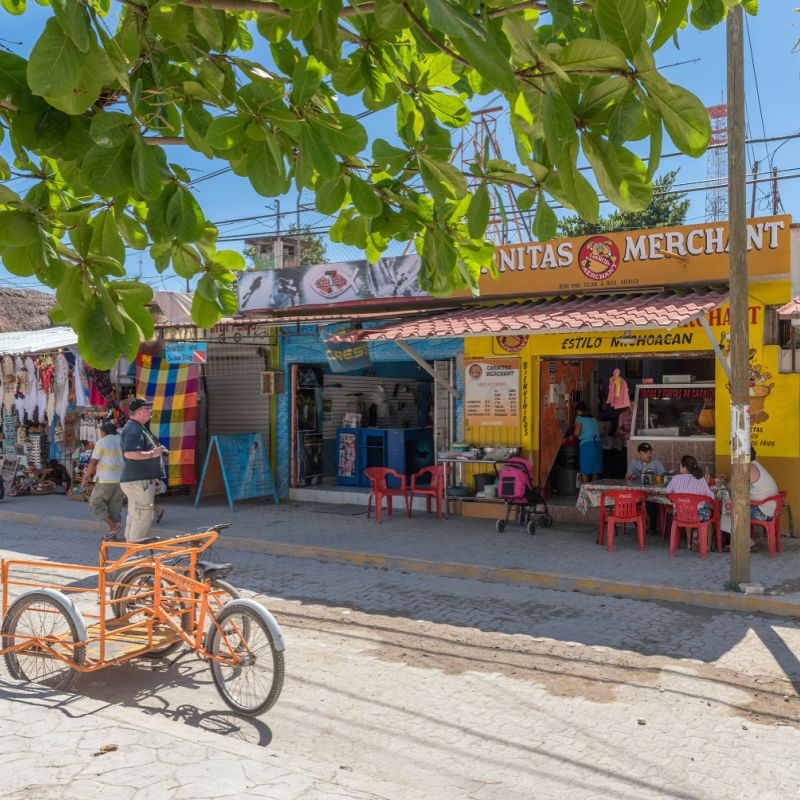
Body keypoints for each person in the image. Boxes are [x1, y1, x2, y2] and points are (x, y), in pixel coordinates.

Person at [119, 397, 168, 542]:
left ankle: (130, 555)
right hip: (139, 481)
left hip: (138, 480)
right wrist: (154, 453)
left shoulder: (137, 427)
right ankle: (133, 557)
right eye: (148, 410)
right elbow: (130, 453)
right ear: (140, 411)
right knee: (142, 518)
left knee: (136, 516)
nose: (150, 412)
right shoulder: (134, 429)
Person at [721, 446, 779, 552]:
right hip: (770, 507)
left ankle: (748, 542)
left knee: (729, 511)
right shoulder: (755, 465)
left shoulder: (747, 467)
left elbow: (730, 486)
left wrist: (735, 469)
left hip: (763, 510)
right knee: (732, 507)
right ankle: (739, 539)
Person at [81, 421, 124, 540]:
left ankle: (114, 526)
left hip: (106, 479)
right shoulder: (122, 440)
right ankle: (113, 536)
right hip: (121, 479)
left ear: (103, 432)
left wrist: (85, 478)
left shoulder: (102, 442)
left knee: (95, 503)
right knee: (114, 507)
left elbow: (93, 462)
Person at [665, 455, 716, 551]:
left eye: (680, 466)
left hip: (679, 515)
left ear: (685, 468)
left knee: (687, 510)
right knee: (709, 513)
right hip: (697, 515)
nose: (680, 468)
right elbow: (711, 496)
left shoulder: (675, 479)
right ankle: (707, 546)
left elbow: (668, 491)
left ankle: (689, 544)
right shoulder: (701, 480)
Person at [625, 442, 666, 534]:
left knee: (651, 504)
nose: (649, 455)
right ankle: (640, 525)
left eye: (650, 452)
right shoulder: (634, 462)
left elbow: (664, 480)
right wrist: (632, 476)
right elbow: (626, 479)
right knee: (630, 505)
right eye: (645, 452)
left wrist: (654, 477)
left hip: (651, 493)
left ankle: (652, 528)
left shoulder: (656, 463)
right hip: (637, 493)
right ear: (639, 454)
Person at [572, 401, 602, 484]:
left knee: (585, 470)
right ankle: (594, 493)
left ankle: (586, 493)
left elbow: (577, 433)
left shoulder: (579, 418)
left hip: (587, 445)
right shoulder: (593, 418)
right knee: (595, 470)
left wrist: (571, 437)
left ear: (578, 410)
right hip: (597, 444)